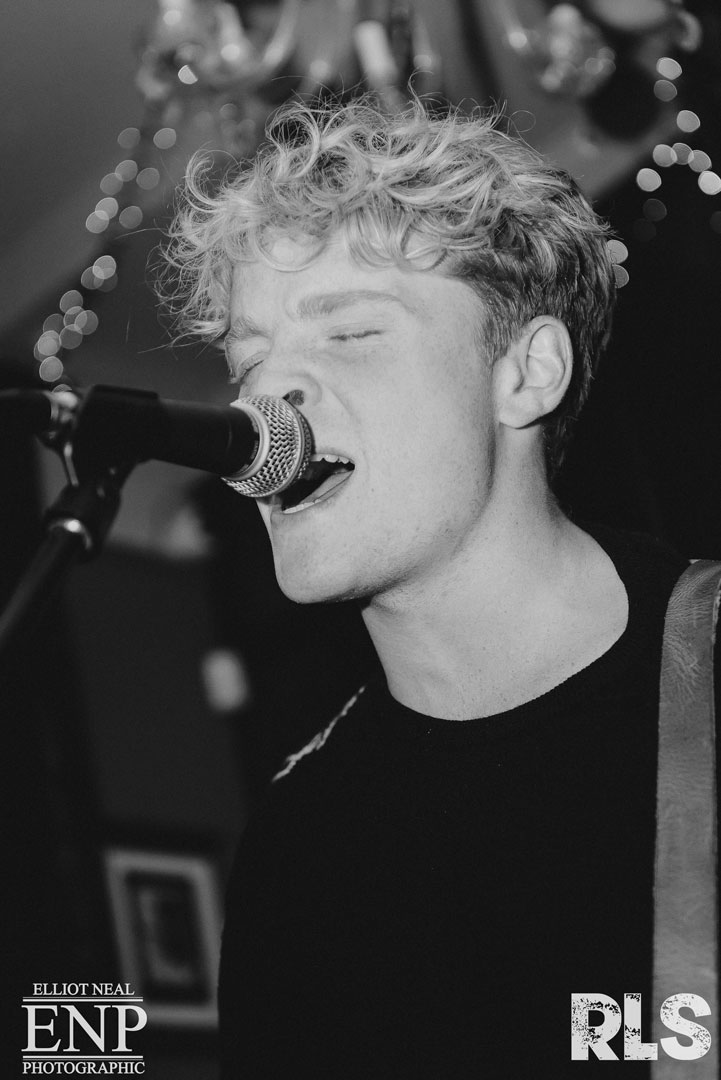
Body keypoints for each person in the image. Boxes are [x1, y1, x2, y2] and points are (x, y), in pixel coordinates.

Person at [164, 96, 694, 1076]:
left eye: (350, 334)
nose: (267, 399)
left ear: (526, 374)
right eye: (249, 360)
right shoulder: (302, 858)